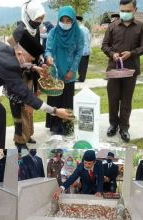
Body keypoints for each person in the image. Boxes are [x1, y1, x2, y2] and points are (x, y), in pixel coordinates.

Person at [0, 32, 74, 149]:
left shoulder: (2, 47)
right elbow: (24, 94)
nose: (30, 63)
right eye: (30, 60)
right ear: (20, 53)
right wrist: (55, 111)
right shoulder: (9, 65)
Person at [101, 0, 143, 142]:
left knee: (126, 100)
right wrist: (112, 54)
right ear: (119, 9)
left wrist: (132, 53)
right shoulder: (112, 26)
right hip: (114, 69)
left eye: (128, 11)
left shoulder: (142, 27)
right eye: (123, 10)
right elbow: (104, 45)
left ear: (135, 10)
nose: (125, 13)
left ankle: (124, 128)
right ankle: (113, 125)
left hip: (131, 69)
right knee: (113, 99)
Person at [7, 0, 46, 148]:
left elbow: (36, 50)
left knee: (29, 105)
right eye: (37, 19)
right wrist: (25, 63)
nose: (39, 22)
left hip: (31, 73)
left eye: (41, 19)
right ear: (28, 15)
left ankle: (27, 134)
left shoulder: (34, 31)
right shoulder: (19, 31)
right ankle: (20, 140)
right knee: (19, 107)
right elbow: (9, 51)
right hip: (18, 75)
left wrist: (41, 61)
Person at [45, 6, 84, 135]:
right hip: (55, 72)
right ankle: (55, 126)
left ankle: (67, 126)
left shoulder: (79, 34)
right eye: (63, 20)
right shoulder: (53, 33)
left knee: (67, 100)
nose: (66, 23)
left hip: (69, 73)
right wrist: (48, 56)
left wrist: (73, 70)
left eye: (69, 20)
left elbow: (79, 53)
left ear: (73, 21)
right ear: (59, 19)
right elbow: (48, 49)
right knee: (54, 100)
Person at [76, 16, 91, 82]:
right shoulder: (86, 29)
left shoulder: (79, 29)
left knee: (81, 65)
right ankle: (82, 78)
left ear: (78, 21)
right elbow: (89, 39)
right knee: (84, 65)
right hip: (87, 49)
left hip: (82, 50)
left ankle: (81, 78)